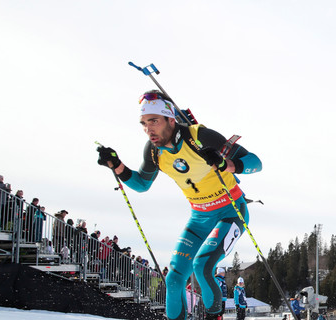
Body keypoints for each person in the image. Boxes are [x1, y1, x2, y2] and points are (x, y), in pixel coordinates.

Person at [96, 90, 262, 320]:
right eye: (143, 123)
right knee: (174, 279)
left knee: (202, 266)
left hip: (230, 211)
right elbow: (142, 184)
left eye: (153, 121)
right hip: (200, 216)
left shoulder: (199, 136)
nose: (148, 128)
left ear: (170, 120)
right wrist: (117, 165)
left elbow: (256, 162)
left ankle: (214, 317)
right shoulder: (154, 151)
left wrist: (227, 164)